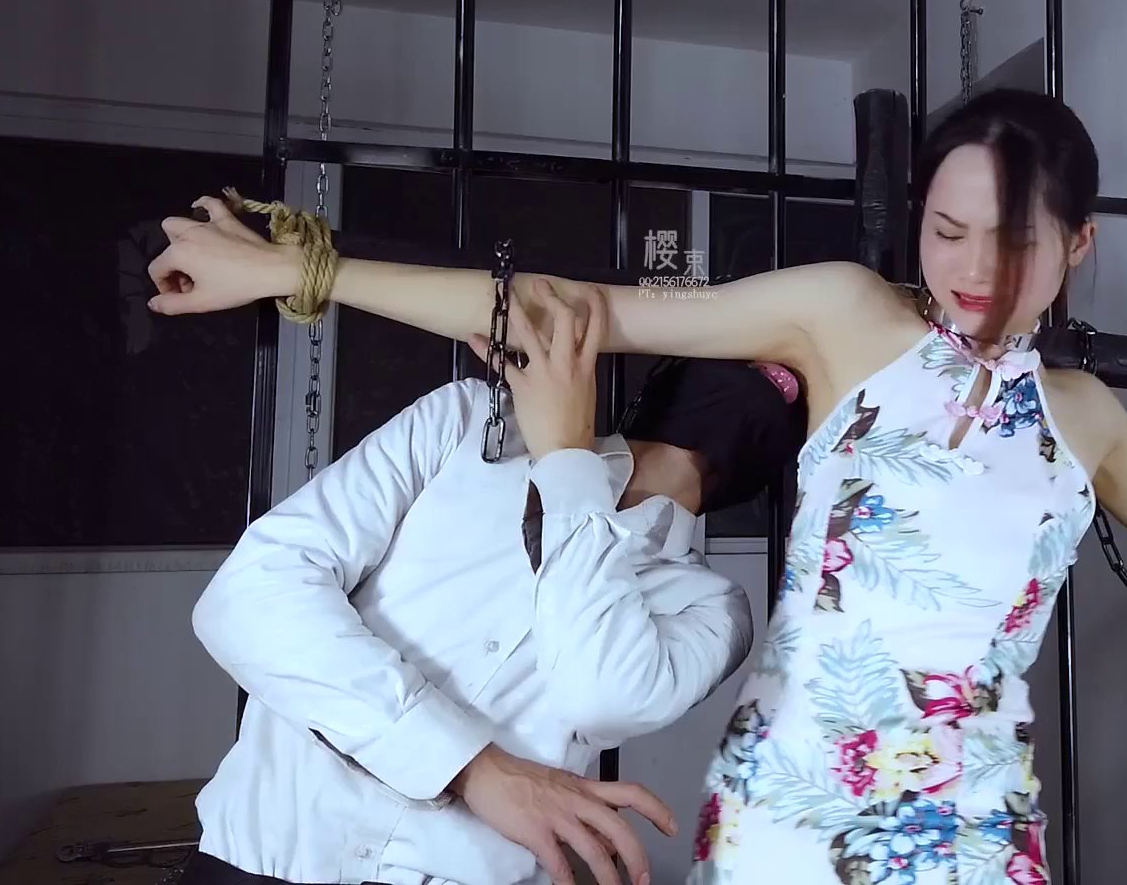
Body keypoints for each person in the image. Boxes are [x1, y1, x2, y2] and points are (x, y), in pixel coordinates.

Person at [149, 88, 1127, 884]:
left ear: (1078, 244)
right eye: (947, 230)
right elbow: (570, 308)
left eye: (1013, 240)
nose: (973, 270)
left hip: (972, 812)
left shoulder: (1086, 418)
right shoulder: (846, 317)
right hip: (795, 798)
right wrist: (297, 275)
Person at [177, 278, 807, 885]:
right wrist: (469, 767)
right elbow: (250, 596)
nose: (767, 374)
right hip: (253, 863)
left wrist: (569, 466)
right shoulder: (470, 424)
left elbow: (601, 694)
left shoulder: (714, 610)